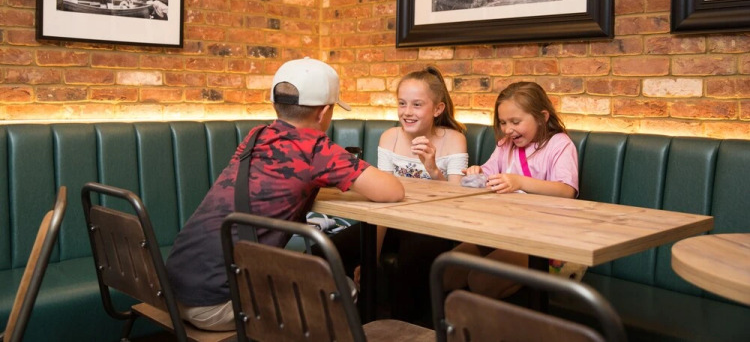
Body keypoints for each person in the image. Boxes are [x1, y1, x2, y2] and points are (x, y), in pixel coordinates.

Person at [165, 57, 404, 331]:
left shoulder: (255, 136)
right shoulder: (316, 148)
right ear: (324, 112)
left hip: (171, 290)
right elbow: (392, 191)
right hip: (217, 303)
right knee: (342, 288)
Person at [444, 81, 578, 299]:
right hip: (503, 231)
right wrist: (476, 172)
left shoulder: (559, 144)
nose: (507, 129)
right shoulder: (505, 145)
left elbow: (566, 191)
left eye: (515, 122)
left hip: (545, 240)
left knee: (481, 280)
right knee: (448, 270)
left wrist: (520, 182)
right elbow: (488, 175)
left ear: (542, 117)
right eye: (503, 122)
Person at [374, 66, 468, 322]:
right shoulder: (389, 137)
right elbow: (382, 199)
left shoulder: (454, 139)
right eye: (402, 103)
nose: (407, 112)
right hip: (392, 223)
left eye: (417, 105)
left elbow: (457, 202)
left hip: (433, 227)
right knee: (327, 249)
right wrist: (371, 255)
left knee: (412, 264)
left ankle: (405, 332)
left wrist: (433, 170)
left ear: (438, 109)